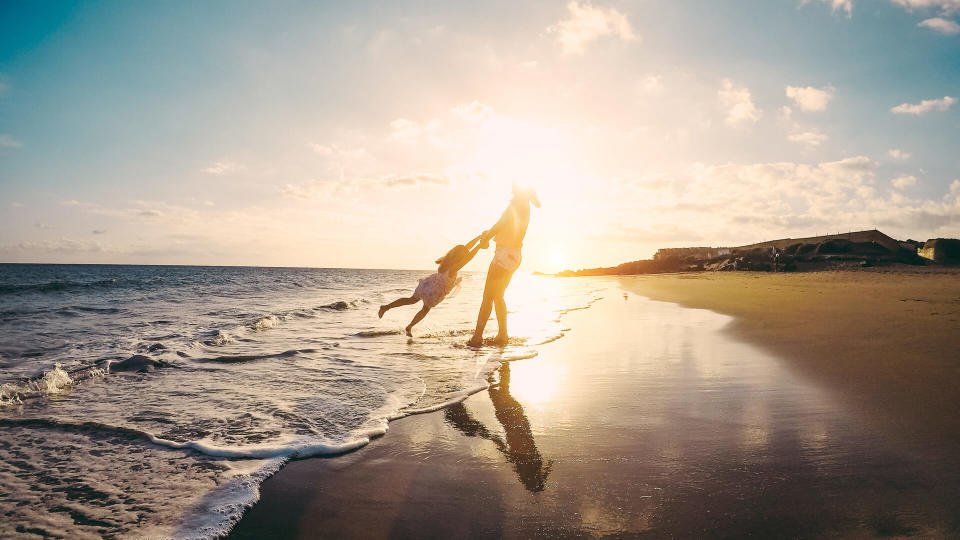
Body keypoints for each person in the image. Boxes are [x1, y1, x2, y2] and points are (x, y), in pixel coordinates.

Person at [467, 185, 540, 347]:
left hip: (503, 255)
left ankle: (477, 337)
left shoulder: (516, 206)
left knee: (488, 297)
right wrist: (490, 234)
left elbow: (501, 224)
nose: (512, 192)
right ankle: (502, 335)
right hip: (514, 256)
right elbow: (506, 227)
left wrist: (487, 238)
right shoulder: (525, 207)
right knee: (498, 296)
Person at [379, 234, 486, 336]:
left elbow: (465, 248)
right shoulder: (454, 268)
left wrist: (479, 238)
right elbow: (469, 257)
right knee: (425, 309)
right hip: (435, 291)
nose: (465, 256)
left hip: (429, 285)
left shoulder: (447, 261)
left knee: (411, 300)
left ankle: (386, 307)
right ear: (460, 257)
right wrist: (479, 246)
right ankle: (409, 326)